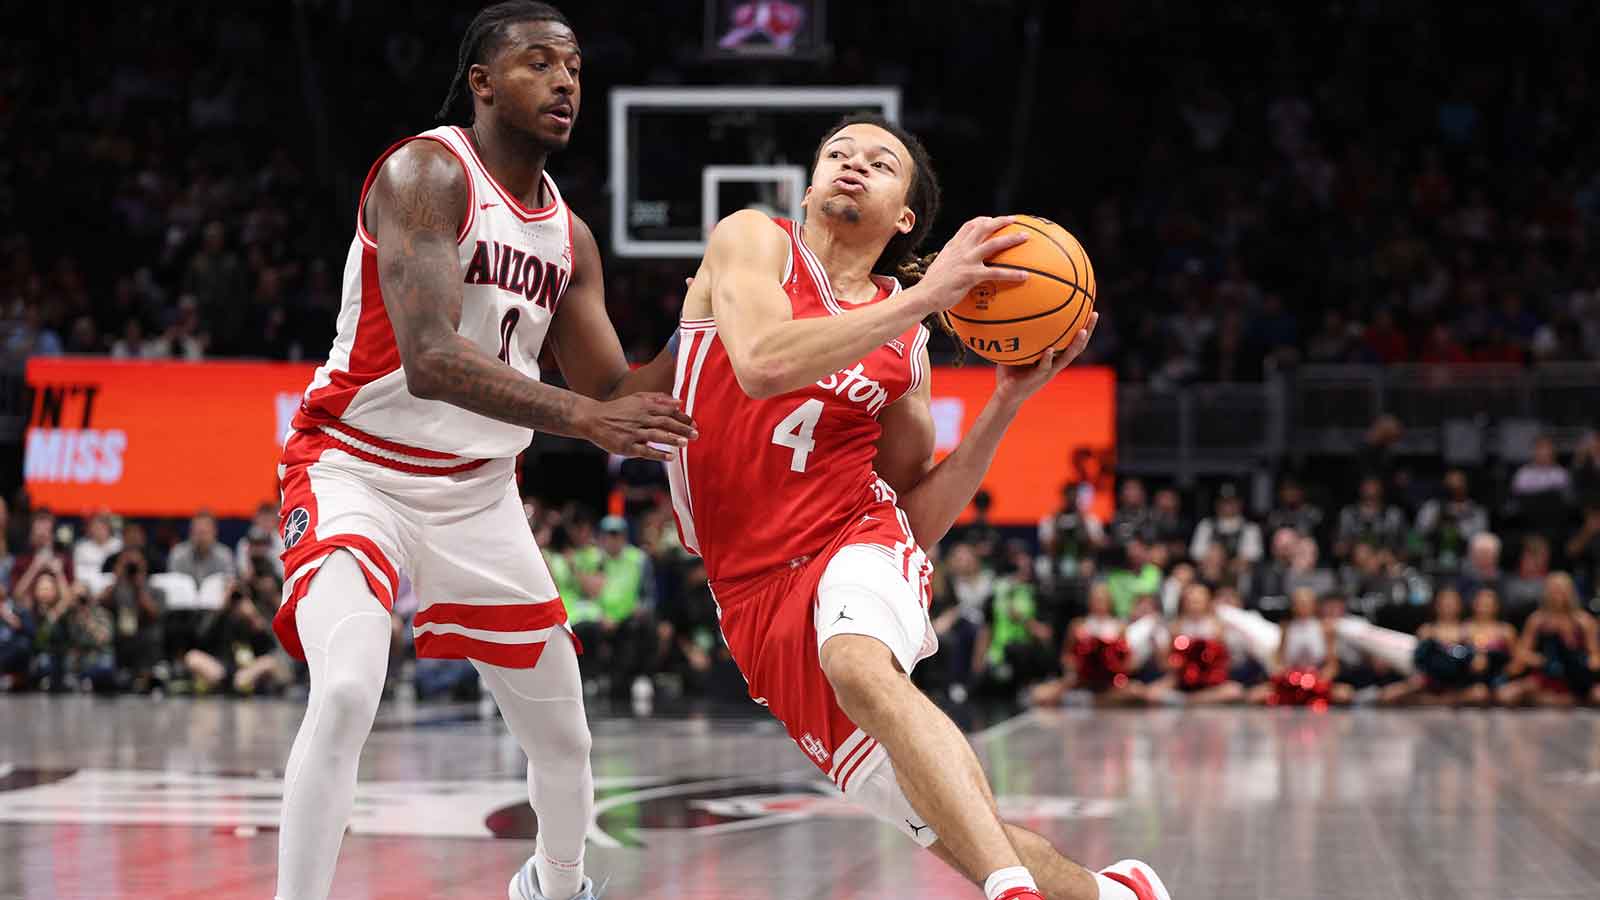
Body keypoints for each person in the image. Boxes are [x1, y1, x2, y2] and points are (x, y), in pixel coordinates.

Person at [668, 114, 1167, 900]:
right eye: (838, 153)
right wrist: (926, 299)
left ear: (905, 216)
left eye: (880, 162)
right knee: (958, 825)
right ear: (807, 186)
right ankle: (1116, 895)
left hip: (850, 538)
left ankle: (1010, 894)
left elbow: (913, 519)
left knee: (857, 663)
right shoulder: (753, 240)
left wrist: (1005, 404)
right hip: (751, 596)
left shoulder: (907, 350)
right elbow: (761, 362)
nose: (852, 164)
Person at [269, 5, 695, 900]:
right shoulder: (426, 171)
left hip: (478, 492)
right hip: (357, 467)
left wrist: (705, 332)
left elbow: (616, 391)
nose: (565, 81)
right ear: (484, 82)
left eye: (574, 66)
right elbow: (431, 361)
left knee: (566, 738)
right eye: (538, 63)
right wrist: (583, 418)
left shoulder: (568, 238)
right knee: (348, 687)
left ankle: (556, 883)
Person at [1497, 572, 1600, 706]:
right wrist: (1542, 661)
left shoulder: (1583, 621)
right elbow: (1522, 653)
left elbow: (1595, 655)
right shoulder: (1537, 620)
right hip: (1546, 674)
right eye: (1554, 590)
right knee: (1505, 695)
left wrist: (1583, 663)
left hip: (1576, 676)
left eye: (1561, 590)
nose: (1557, 595)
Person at [168, 510, 236, 587]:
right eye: (198, 532)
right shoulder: (178, 554)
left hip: (216, 598)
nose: (201, 538)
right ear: (190, 532)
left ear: (214, 532)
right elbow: (172, 585)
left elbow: (230, 583)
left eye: (205, 532)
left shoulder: (224, 555)